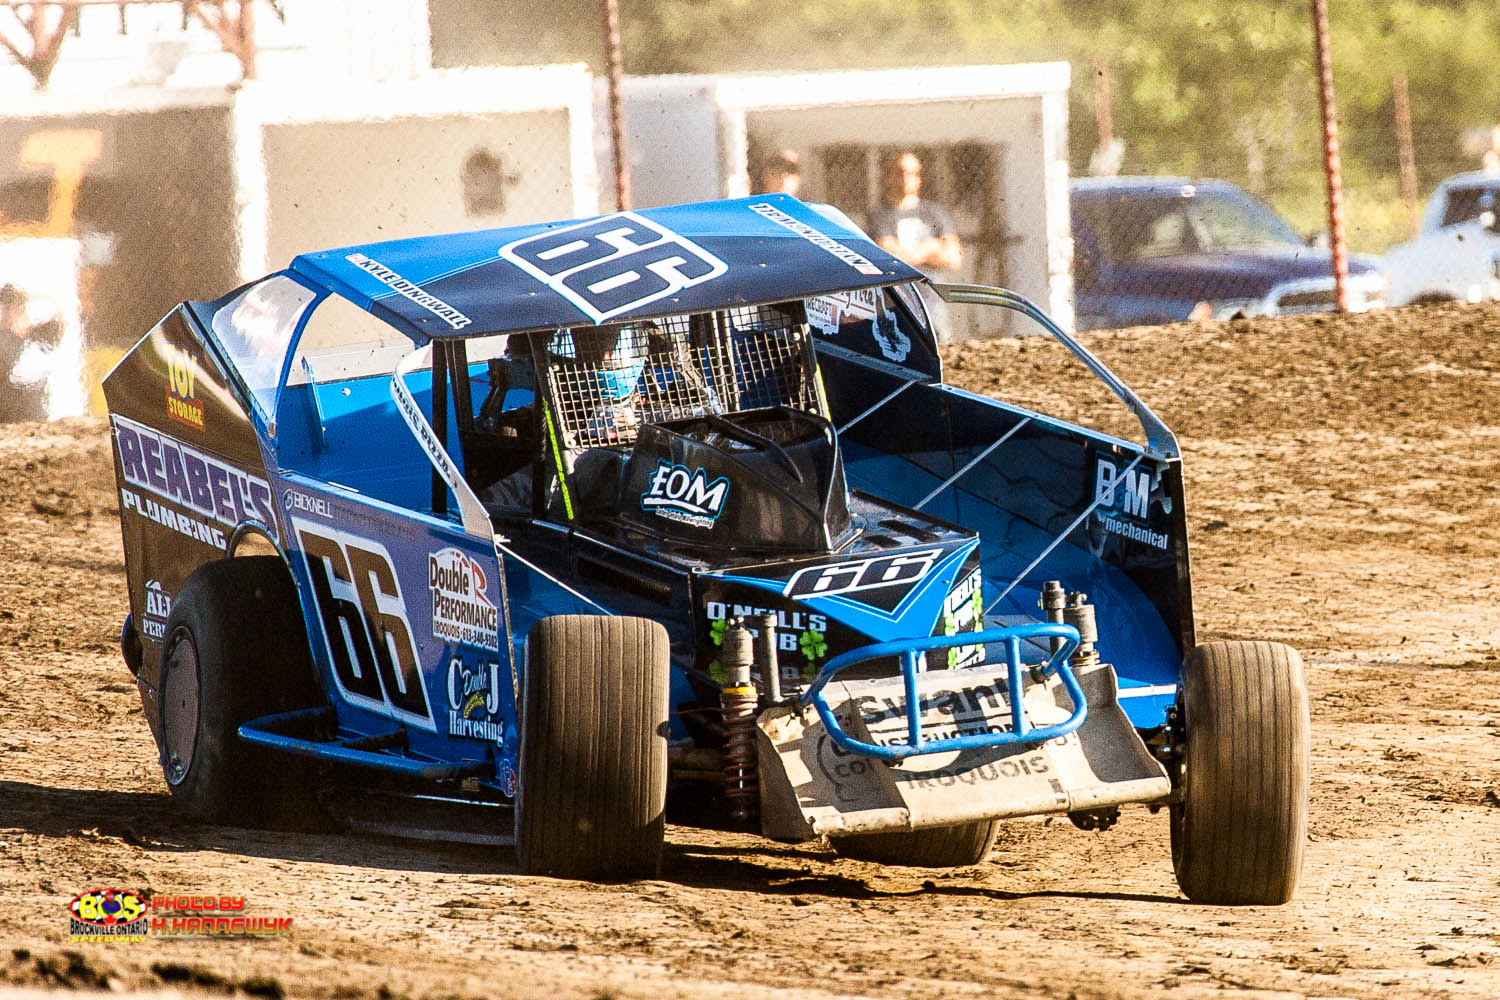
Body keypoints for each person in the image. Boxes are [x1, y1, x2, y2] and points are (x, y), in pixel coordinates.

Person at [866, 151, 964, 340]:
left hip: (933, 300)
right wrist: (931, 247)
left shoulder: (933, 213)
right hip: (898, 302)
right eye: (900, 172)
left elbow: (953, 258)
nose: (906, 178)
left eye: (913, 173)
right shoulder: (880, 215)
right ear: (889, 176)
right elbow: (892, 259)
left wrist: (910, 253)